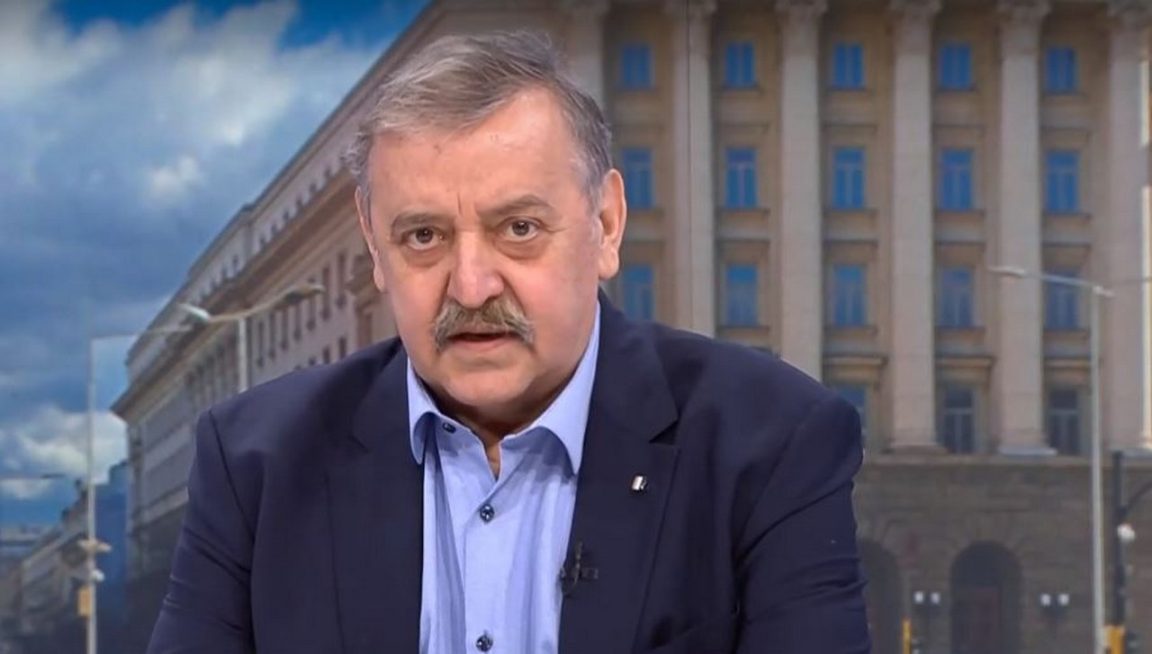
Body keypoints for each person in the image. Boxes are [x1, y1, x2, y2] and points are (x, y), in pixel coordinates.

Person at [146, 30, 869, 654]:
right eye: (422, 236)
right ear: (374, 248)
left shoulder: (770, 443)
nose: (470, 287)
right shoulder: (256, 464)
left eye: (519, 229)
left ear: (606, 226)